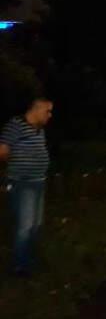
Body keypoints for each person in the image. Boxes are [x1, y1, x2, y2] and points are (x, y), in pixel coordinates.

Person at [0, 97, 53, 276]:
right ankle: (20, 265)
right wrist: (14, 171)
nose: (50, 115)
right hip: (22, 183)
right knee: (25, 225)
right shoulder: (15, 125)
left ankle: (30, 258)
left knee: (36, 224)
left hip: (38, 182)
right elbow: (2, 151)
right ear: (36, 109)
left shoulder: (39, 130)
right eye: (47, 111)